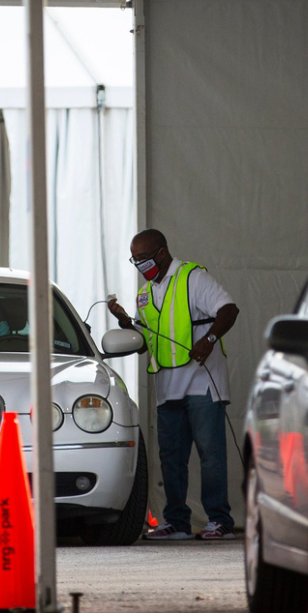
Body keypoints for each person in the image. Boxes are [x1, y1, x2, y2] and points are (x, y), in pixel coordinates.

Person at [108, 229, 240, 541]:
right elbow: (149, 344)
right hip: (167, 387)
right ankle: (176, 522)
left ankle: (219, 520)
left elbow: (229, 310)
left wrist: (209, 339)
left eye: (143, 258)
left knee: (211, 454)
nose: (139, 264)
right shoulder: (145, 293)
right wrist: (128, 323)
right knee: (171, 457)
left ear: (162, 253)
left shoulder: (192, 277)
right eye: (135, 259)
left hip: (201, 383)